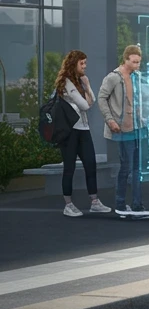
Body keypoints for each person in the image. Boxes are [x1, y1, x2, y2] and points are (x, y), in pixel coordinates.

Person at [99, 45, 149, 219]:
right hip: (122, 129)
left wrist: (144, 115)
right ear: (126, 60)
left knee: (137, 169)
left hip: (138, 128)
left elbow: (139, 100)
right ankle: (120, 203)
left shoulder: (137, 78)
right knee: (126, 168)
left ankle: (138, 205)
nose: (137, 65)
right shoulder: (113, 78)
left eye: (139, 62)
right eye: (134, 62)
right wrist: (110, 119)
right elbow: (101, 98)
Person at [54, 50, 113, 218]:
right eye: (82, 63)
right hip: (69, 131)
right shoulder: (66, 82)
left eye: (85, 63)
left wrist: (87, 86)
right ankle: (68, 205)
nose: (85, 66)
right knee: (69, 168)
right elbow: (85, 105)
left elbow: (91, 100)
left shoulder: (80, 81)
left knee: (90, 165)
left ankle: (94, 202)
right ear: (74, 64)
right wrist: (86, 92)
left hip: (83, 129)